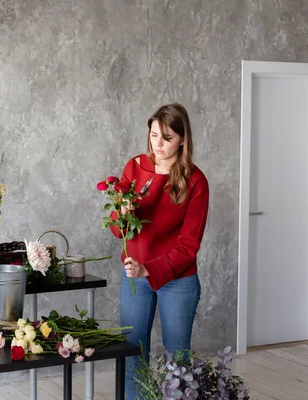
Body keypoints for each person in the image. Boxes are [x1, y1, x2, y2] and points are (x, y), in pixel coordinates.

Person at [109, 103, 209, 399]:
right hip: (134, 278)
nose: (159, 144)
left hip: (178, 281)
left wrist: (148, 268)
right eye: (154, 135)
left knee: (177, 362)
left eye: (167, 138)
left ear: (182, 139)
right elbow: (118, 231)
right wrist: (121, 214)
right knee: (131, 355)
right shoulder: (134, 168)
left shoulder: (195, 181)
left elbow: (189, 246)